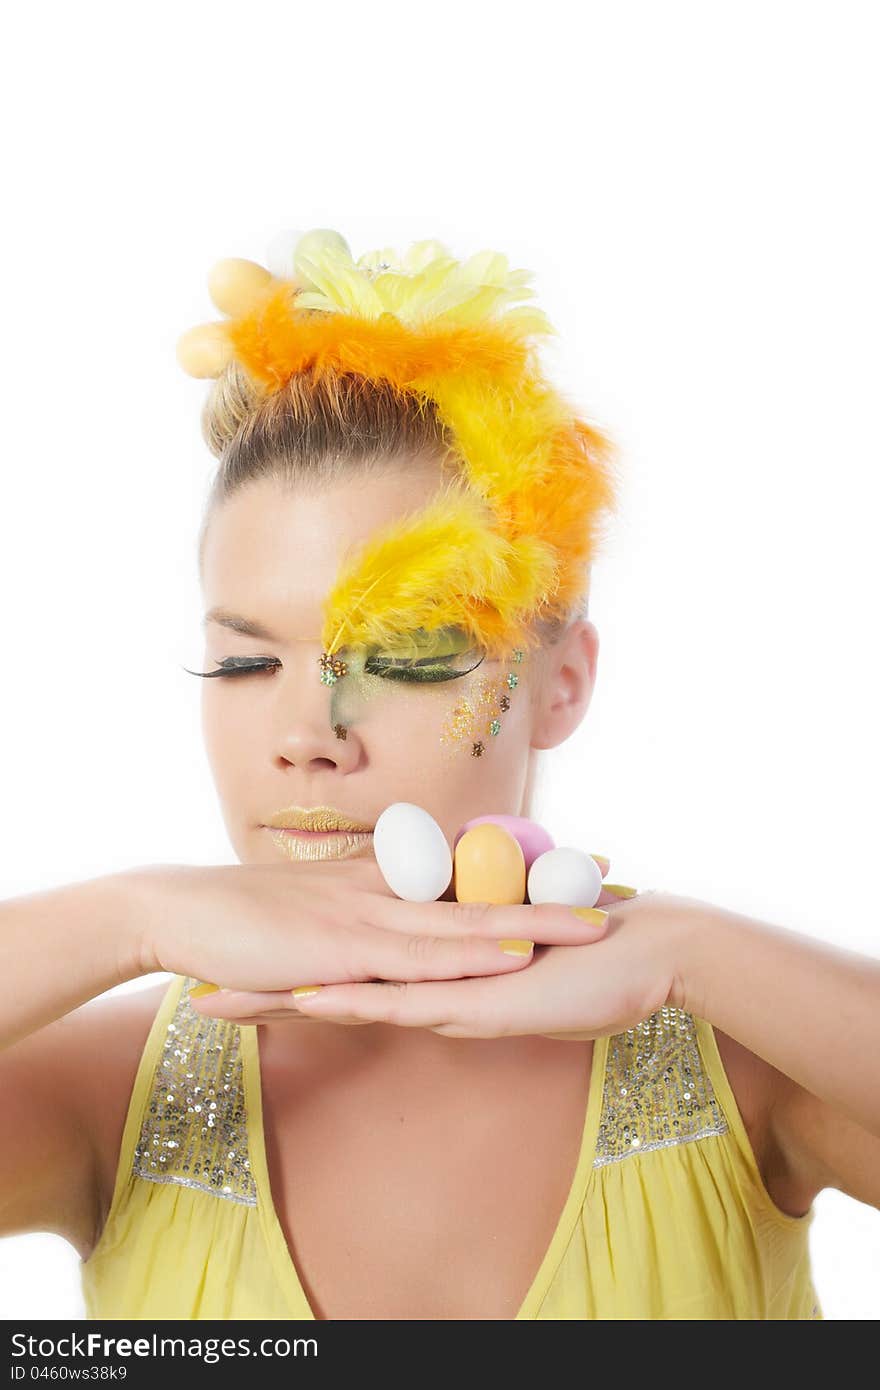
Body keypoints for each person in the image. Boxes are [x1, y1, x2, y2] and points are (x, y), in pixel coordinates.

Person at [1, 230, 877, 1321]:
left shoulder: (749, 1072)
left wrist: (686, 954)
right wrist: (124, 916)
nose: (307, 734)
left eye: (406, 655)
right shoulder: (111, 1095)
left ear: (558, 684)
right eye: (243, 660)